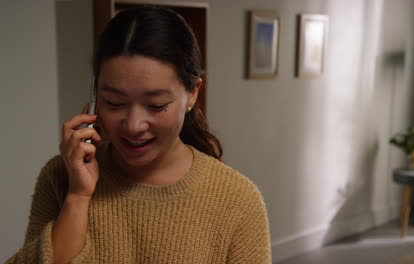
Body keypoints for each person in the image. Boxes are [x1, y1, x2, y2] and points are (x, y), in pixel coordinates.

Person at [6, 6, 271, 264]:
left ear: (192, 94)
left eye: (156, 105)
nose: (133, 125)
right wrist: (78, 197)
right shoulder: (60, 177)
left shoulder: (238, 201)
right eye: (114, 102)